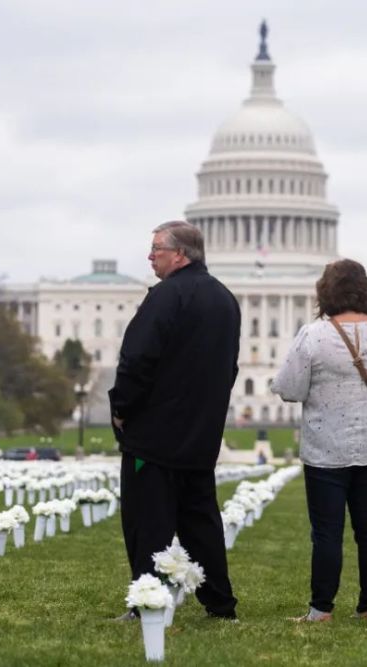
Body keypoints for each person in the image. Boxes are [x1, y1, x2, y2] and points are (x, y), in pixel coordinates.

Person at [272, 259, 367, 622]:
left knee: (326, 532)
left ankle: (321, 609)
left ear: (326, 292)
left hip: (325, 448)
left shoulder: (313, 334)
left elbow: (289, 389)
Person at [109, 220, 241, 621]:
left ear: (180, 254)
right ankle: (220, 604)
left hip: (154, 435)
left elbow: (136, 359)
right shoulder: (225, 300)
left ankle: (145, 601)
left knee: (147, 524)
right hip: (201, 434)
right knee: (202, 524)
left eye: (156, 249)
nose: (150, 257)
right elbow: (229, 368)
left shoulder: (165, 298)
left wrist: (121, 408)